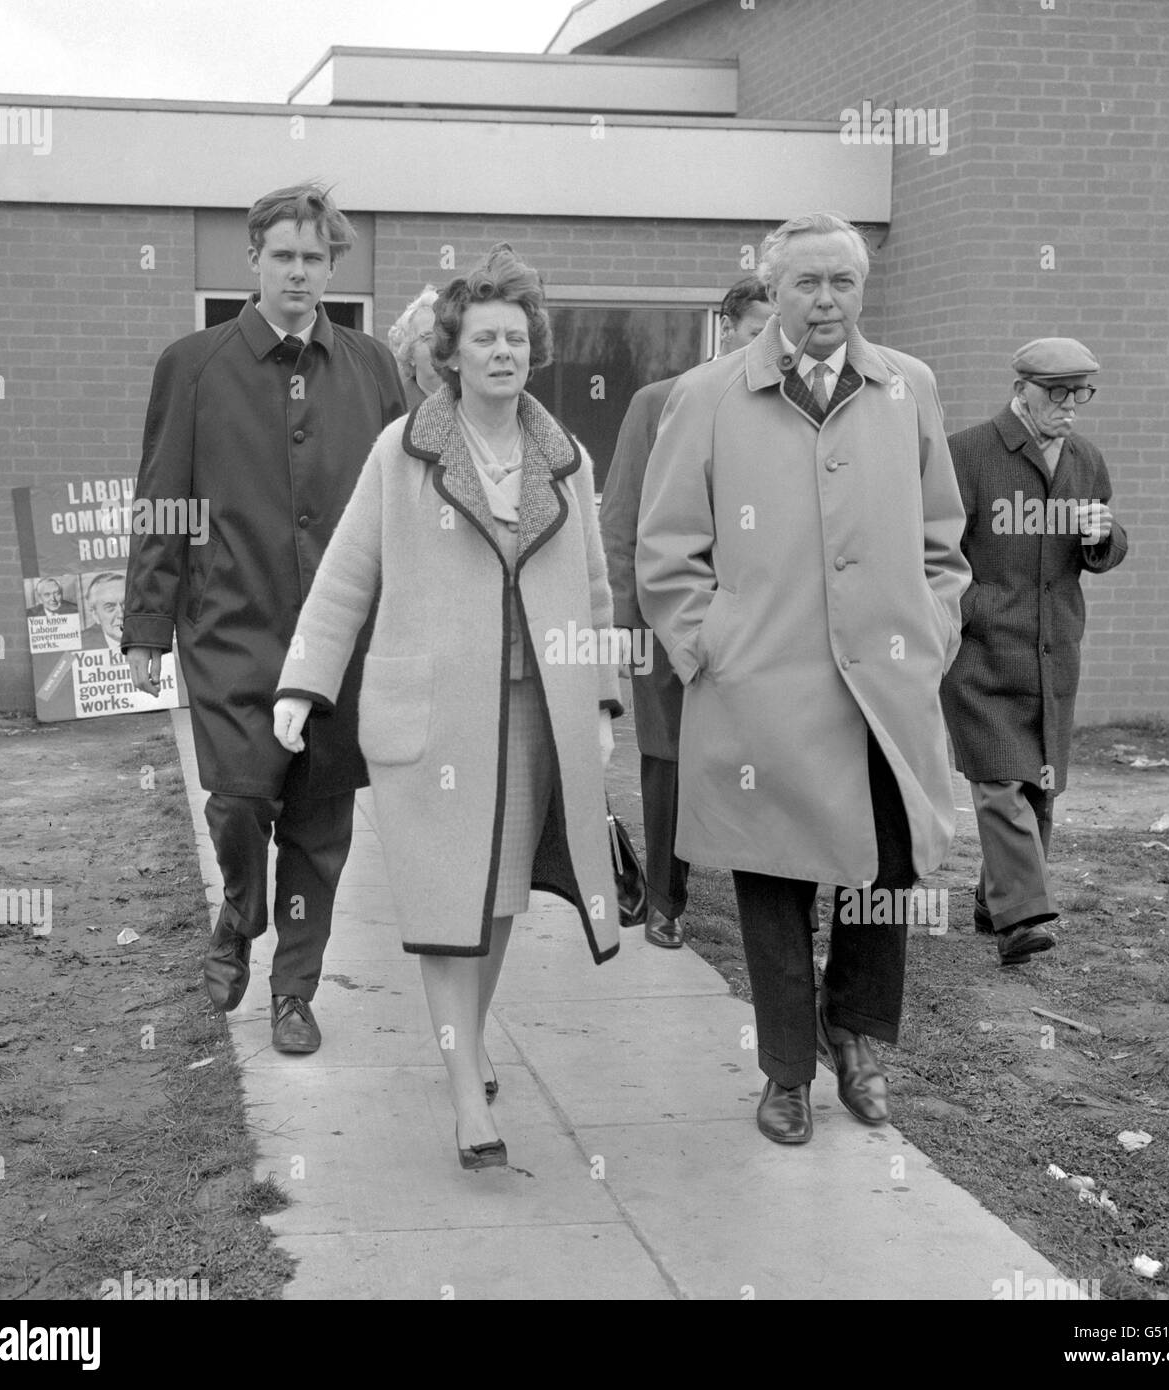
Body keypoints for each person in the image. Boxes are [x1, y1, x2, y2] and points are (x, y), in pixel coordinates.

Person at [274, 244, 622, 1170]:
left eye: (516, 337)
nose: (502, 352)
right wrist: (304, 681)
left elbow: (593, 585)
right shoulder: (406, 449)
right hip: (432, 717)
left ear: (531, 350)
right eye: (484, 338)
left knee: (499, 896)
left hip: (532, 715)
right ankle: (467, 1091)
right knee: (443, 900)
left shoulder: (567, 457)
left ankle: (466, 1043)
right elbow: (349, 571)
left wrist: (602, 701)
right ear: (453, 352)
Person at [637, 212, 969, 1145]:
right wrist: (714, 647)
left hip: (884, 690)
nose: (826, 301)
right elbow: (666, 552)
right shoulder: (707, 397)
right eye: (807, 284)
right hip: (762, 693)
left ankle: (857, 1038)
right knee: (772, 882)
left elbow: (944, 540)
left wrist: (932, 631)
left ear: (862, 292)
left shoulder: (911, 388)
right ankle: (787, 1070)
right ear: (772, 292)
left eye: (843, 284)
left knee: (884, 870)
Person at [123, 182, 406, 1054]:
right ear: (252, 261)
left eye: (313, 258)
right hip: (231, 635)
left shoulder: (371, 368)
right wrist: (144, 627)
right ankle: (238, 914)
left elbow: (400, 503)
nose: (297, 273)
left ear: (332, 267)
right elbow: (164, 499)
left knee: (320, 830)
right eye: (282, 256)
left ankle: (294, 993)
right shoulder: (194, 364)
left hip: (339, 648)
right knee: (241, 802)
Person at [941, 337, 1128, 965]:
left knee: (1040, 790)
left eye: (1082, 393)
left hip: (1054, 652)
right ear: (1021, 390)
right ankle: (1021, 920)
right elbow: (932, 552)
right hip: (981, 652)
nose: (1071, 406)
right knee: (999, 781)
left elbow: (1100, 548)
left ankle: (996, 900)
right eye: (1058, 393)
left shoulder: (1086, 461)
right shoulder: (965, 454)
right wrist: (968, 614)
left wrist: (1106, 537)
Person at [599, 275, 770, 949]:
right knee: (669, 756)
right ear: (727, 327)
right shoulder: (660, 402)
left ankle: (775, 901)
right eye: (758, 330)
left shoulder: (789, 410)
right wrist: (616, 627)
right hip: (667, 611)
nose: (771, 344)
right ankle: (668, 899)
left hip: (756, 618)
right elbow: (620, 519)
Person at [387, 284, 443, 409]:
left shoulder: (479, 404)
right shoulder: (394, 410)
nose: (440, 345)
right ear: (409, 353)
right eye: (428, 337)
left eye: (446, 335)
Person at [80, 572, 125, 648]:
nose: (121, 614)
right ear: (95, 615)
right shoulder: (79, 643)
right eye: (110, 607)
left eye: (127, 604)